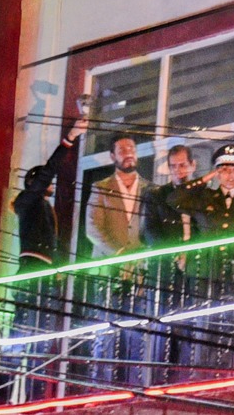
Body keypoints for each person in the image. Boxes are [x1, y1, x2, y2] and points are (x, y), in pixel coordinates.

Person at [3, 106, 83, 400]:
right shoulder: (28, 202)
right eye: (43, 184)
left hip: (45, 276)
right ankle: (4, 394)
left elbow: (55, 246)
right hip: (31, 272)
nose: (48, 187)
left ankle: (34, 399)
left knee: (40, 339)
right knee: (21, 336)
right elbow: (49, 169)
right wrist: (69, 140)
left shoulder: (44, 208)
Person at [181, 142, 234, 369]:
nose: (230, 175)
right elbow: (176, 199)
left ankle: (223, 376)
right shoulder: (204, 197)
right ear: (217, 172)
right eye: (224, 170)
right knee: (203, 328)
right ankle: (199, 377)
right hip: (206, 271)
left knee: (229, 331)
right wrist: (205, 179)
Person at [84, 135, 150, 384]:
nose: (128, 152)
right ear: (113, 156)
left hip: (139, 274)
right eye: (122, 149)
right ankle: (100, 386)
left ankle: (133, 385)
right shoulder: (101, 187)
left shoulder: (149, 188)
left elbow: (151, 229)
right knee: (105, 328)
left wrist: (138, 258)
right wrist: (119, 255)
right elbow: (92, 228)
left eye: (132, 148)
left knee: (136, 330)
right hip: (108, 273)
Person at [143, 144, 203, 374]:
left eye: (183, 165)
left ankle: (185, 379)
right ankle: (159, 378)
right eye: (173, 166)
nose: (178, 170)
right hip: (165, 273)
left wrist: (192, 254)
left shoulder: (204, 195)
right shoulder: (157, 196)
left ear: (193, 165)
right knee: (162, 331)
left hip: (194, 273)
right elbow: (150, 233)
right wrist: (176, 253)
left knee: (190, 331)